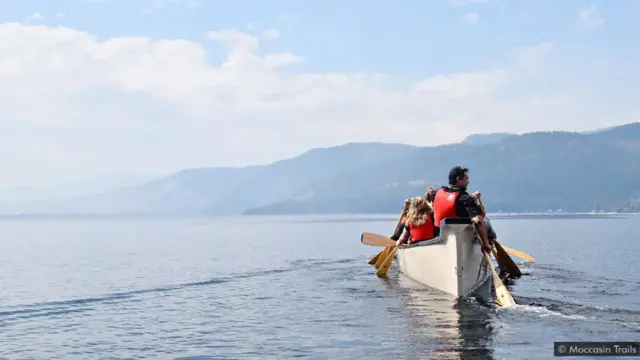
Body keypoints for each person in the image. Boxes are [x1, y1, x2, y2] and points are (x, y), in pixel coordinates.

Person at [432, 166, 492, 254]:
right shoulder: (465, 198)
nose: (468, 181)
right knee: (485, 220)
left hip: (440, 236)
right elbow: (477, 220)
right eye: (466, 178)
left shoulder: (438, 193)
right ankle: (490, 241)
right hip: (464, 237)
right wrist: (485, 243)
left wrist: (471, 197)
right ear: (458, 179)